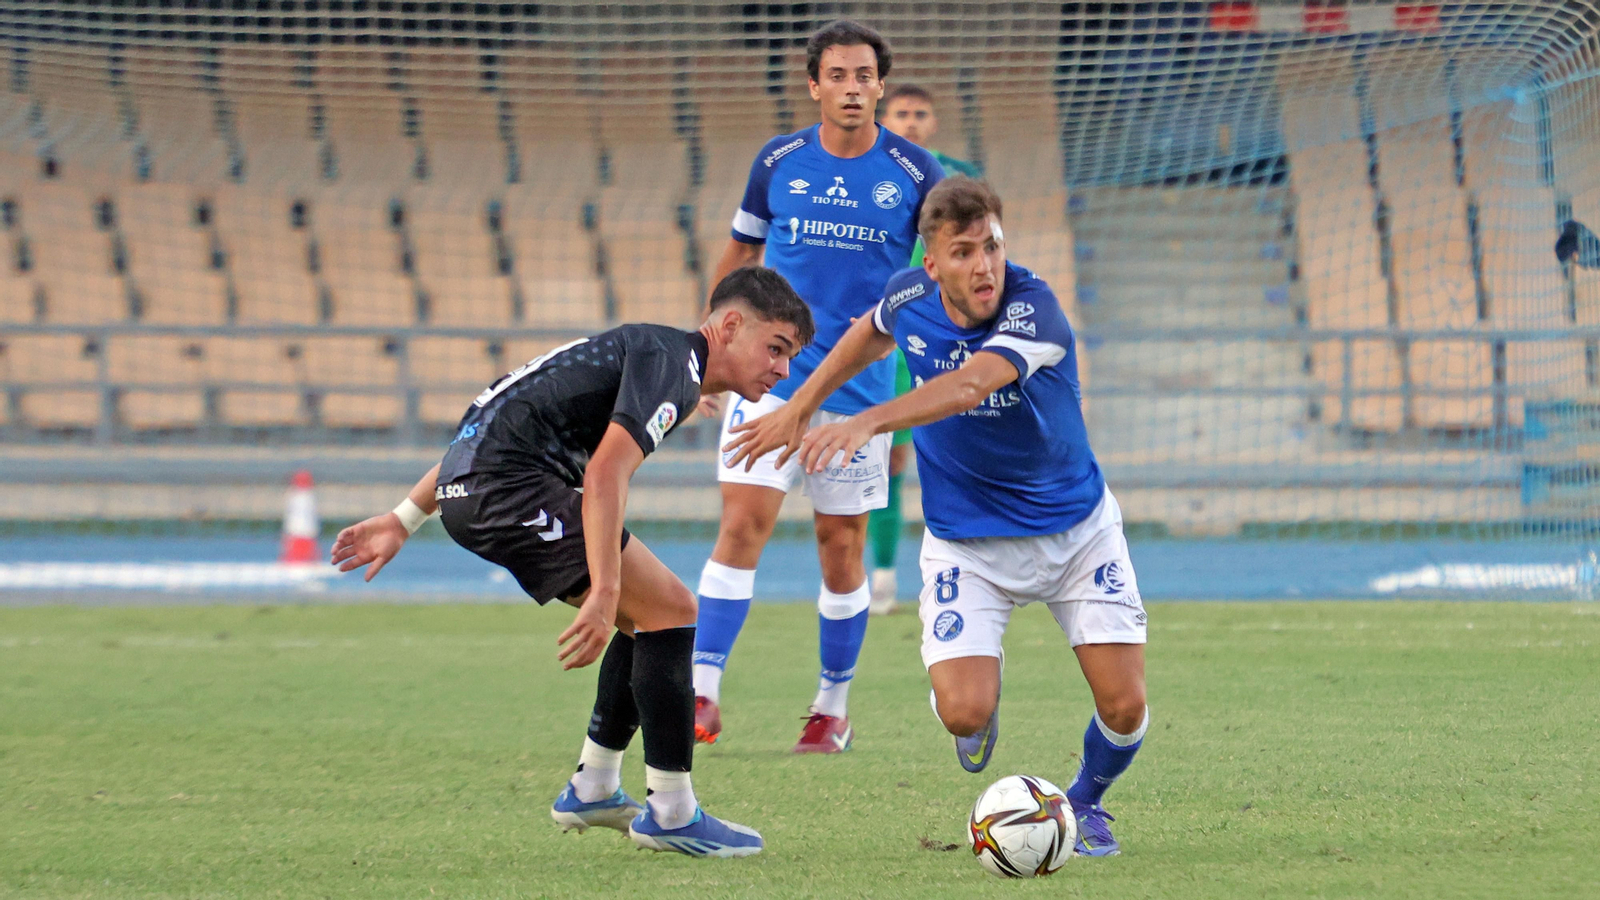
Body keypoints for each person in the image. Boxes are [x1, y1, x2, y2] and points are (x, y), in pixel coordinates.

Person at [724, 177, 1149, 857]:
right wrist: (803, 404)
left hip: (1076, 535)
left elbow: (971, 384)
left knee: (1125, 707)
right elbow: (866, 335)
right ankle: (979, 694)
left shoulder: (1033, 308)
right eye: (963, 252)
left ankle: (1087, 802)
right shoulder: (908, 296)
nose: (984, 266)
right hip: (967, 546)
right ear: (932, 264)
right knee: (964, 713)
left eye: (992, 247)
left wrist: (866, 422)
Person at [330, 267, 814, 859]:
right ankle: (671, 811)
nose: (784, 369)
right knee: (671, 609)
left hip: (473, 483)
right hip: (508, 491)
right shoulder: (671, 362)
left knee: (651, 616)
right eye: (777, 348)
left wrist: (403, 517)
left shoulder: (657, 354)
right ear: (731, 325)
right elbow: (605, 471)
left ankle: (595, 785)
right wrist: (606, 589)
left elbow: (496, 422)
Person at [691, 19, 945, 753]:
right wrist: (710, 355)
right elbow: (741, 252)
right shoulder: (778, 160)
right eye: (838, 75)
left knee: (841, 544)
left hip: (860, 392)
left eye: (865, 76)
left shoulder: (916, 171)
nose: (853, 88)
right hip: (768, 380)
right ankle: (702, 695)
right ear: (815, 84)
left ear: (880, 85)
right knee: (742, 526)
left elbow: (935, 276)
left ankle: (831, 708)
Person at [870, 83, 984, 614]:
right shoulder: (868, 173)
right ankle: (885, 577)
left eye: (920, 114)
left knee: (960, 441)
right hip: (885, 334)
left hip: (944, 330)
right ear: (885, 118)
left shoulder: (958, 175)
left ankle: (979, 563)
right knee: (889, 456)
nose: (912, 122)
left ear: (933, 122)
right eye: (902, 113)